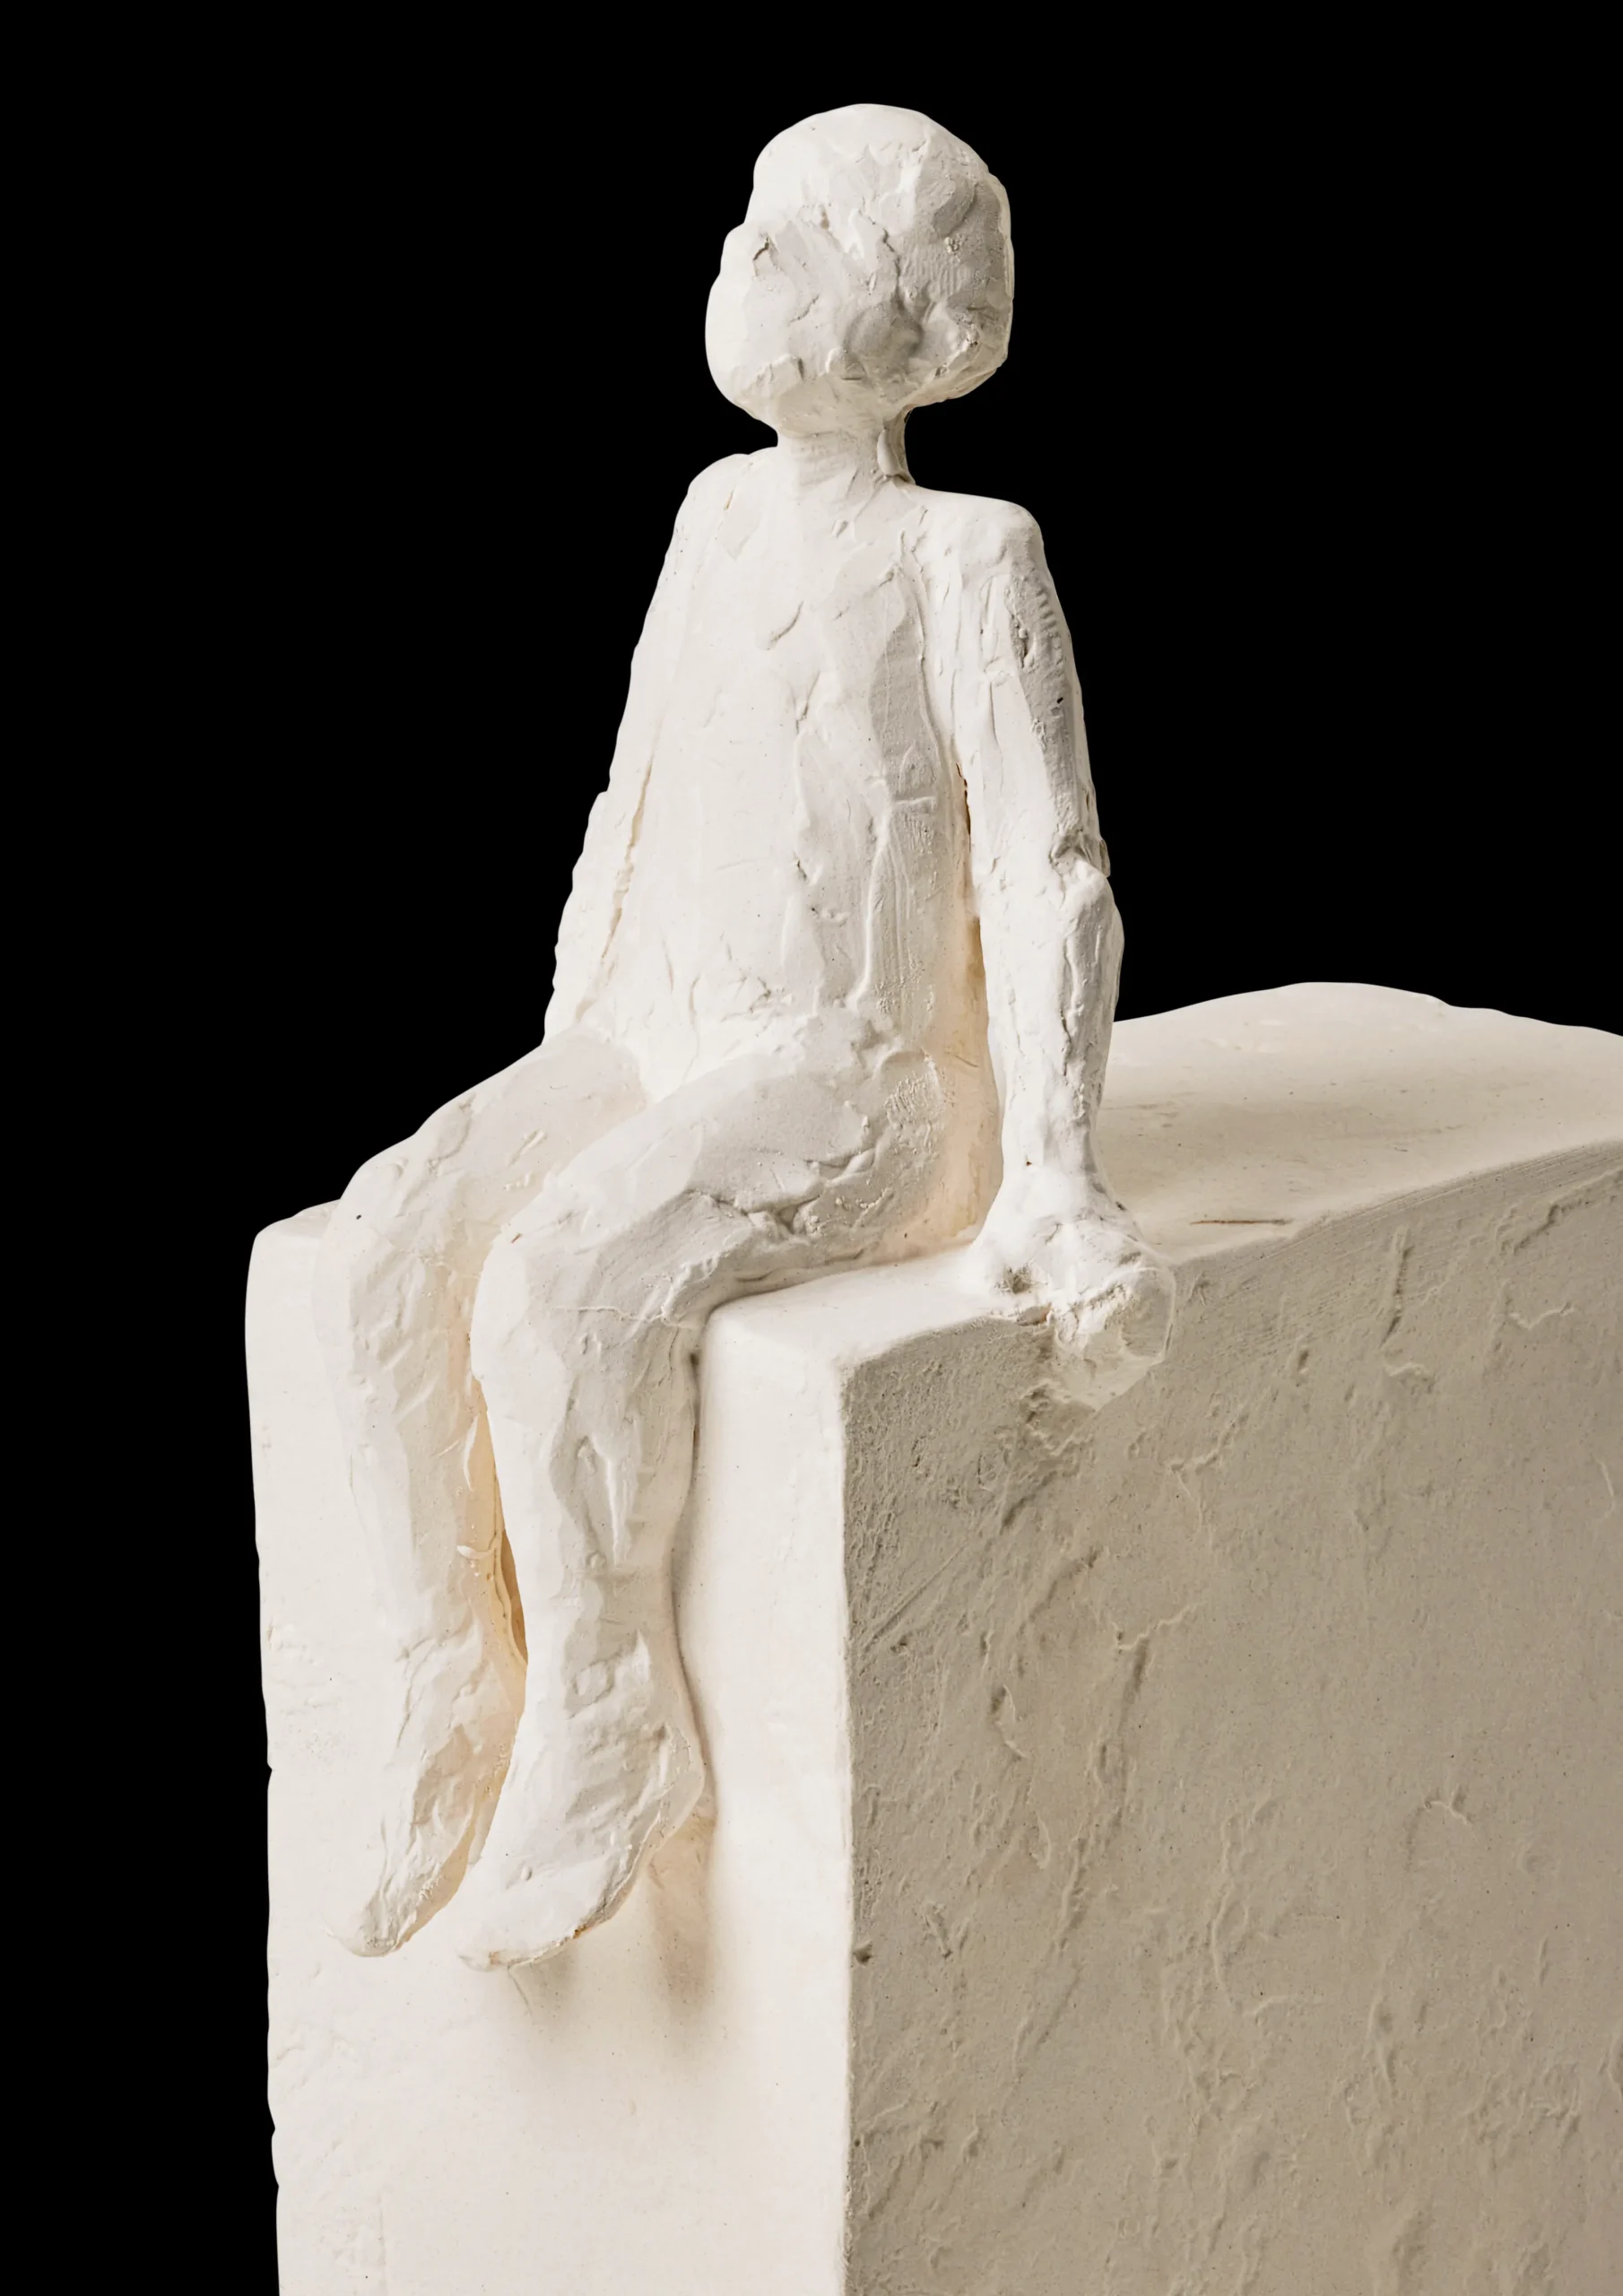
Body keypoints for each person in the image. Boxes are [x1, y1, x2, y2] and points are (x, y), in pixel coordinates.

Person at [314, 102, 1173, 1971]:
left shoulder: (969, 553)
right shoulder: (714, 516)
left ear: (924, 319)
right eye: (749, 218)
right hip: (656, 1034)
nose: (743, 253)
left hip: (858, 1080)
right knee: (391, 1239)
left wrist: (1051, 1167)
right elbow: (629, 796)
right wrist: (558, 1062)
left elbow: (1046, 870)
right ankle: (451, 1672)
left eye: (803, 231)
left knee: (561, 1283)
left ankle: (608, 1705)